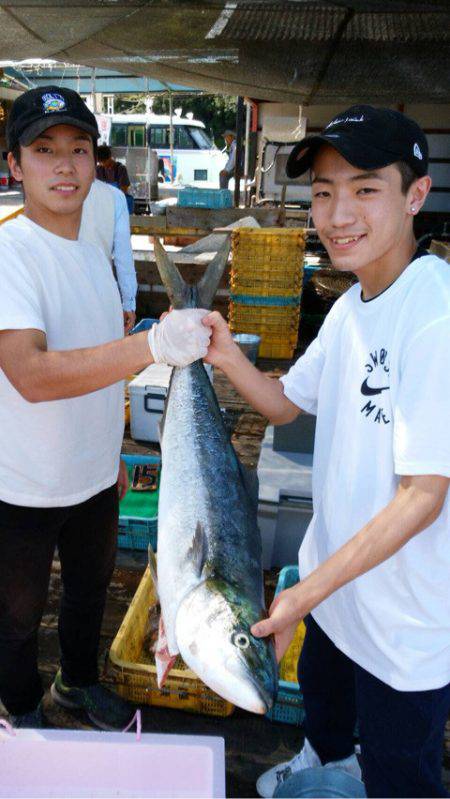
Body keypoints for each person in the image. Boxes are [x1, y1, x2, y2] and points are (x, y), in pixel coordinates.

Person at [202, 106, 450, 798]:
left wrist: (300, 594)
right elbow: (286, 403)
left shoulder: (435, 318)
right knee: (327, 719)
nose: (337, 213)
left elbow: (423, 494)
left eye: (365, 188)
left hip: (404, 623)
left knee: (402, 769)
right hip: (335, 594)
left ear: (416, 196)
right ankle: (328, 760)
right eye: (322, 192)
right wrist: (224, 355)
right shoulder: (352, 303)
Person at [0, 85, 211, 731]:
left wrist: (112, 449)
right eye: (44, 150)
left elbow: (98, 369)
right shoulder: (10, 253)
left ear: (96, 161)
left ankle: (76, 683)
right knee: (15, 615)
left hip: (94, 476)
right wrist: (148, 342)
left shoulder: (91, 255)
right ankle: (23, 709)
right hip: (21, 486)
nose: (64, 165)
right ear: (14, 164)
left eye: (78, 149)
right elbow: (30, 374)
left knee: (89, 594)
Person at [80, 179, 138, 333]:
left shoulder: (50, 192)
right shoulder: (114, 196)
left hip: (60, 297)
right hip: (101, 295)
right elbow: (123, 257)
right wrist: (128, 303)